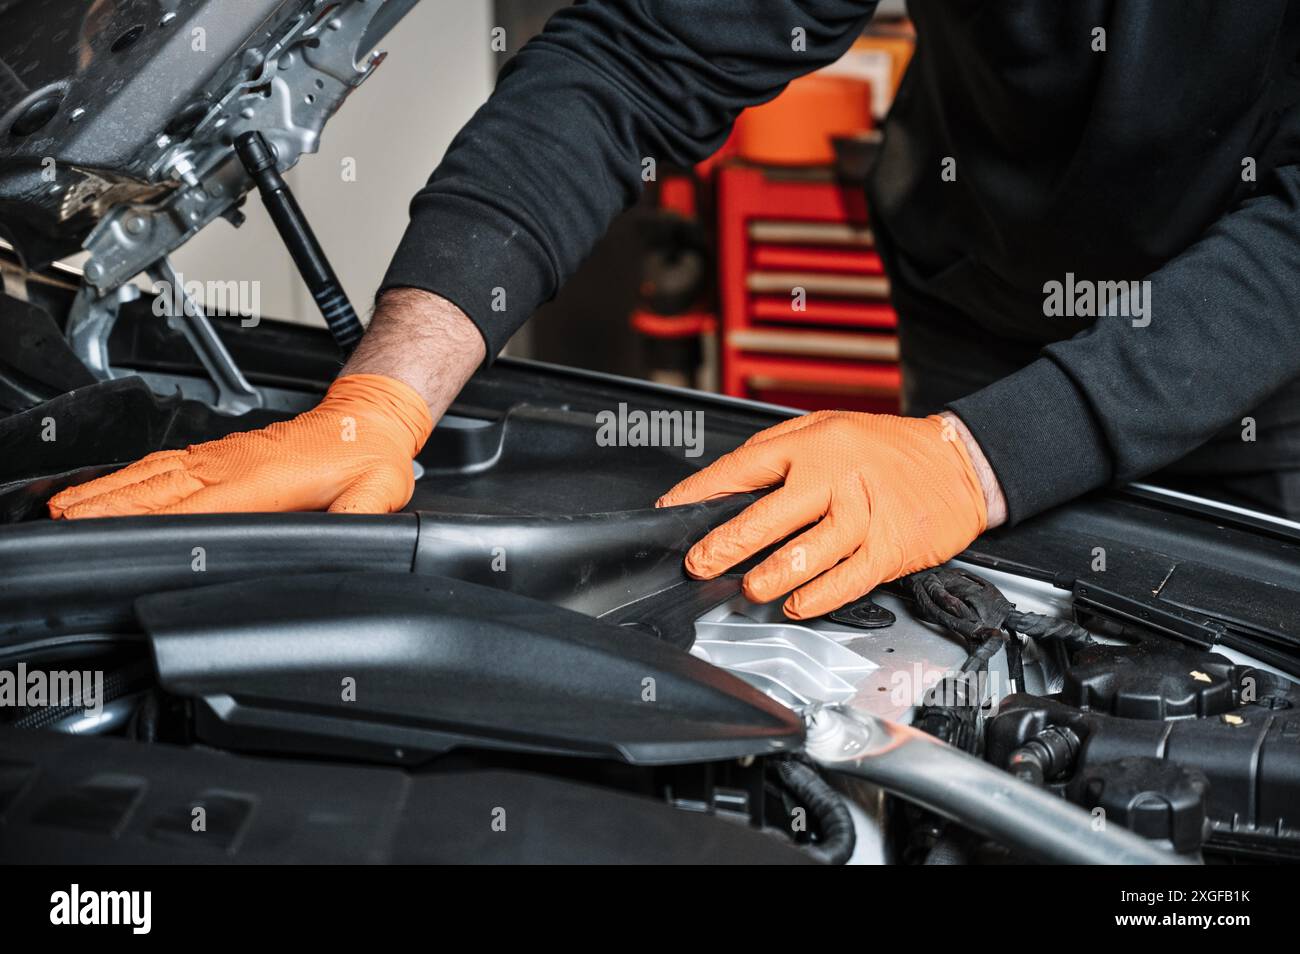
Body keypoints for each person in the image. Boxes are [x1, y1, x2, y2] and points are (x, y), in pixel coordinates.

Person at [47, 1, 1300, 621]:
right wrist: (383, 396)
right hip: (981, 293)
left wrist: (984, 461)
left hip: (1262, 389)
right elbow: (636, 55)